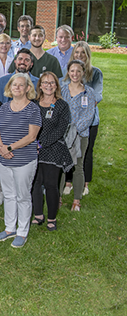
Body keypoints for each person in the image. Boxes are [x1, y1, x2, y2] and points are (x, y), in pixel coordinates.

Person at [0, 73, 41, 248]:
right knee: (9, 194)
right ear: (10, 87)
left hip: (24, 160)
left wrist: (9, 148)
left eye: (21, 85)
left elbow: (31, 136)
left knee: (22, 195)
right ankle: (9, 228)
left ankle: (22, 232)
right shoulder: (4, 107)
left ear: (28, 88)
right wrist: (1, 147)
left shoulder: (33, 109)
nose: (17, 88)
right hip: (4, 159)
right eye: (14, 85)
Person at [32, 72, 73, 232]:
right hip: (34, 148)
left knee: (50, 184)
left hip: (54, 148)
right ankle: (38, 215)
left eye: (52, 83)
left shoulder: (62, 106)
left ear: (56, 85)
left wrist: (41, 143)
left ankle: (51, 218)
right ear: (40, 85)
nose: (48, 85)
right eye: (45, 82)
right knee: (35, 183)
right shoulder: (33, 104)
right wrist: (33, 143)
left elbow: (60, 130)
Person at [66, 42, 103, 195]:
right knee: (68, 150)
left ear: (88, 55)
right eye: (77, 52)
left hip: (89, 120)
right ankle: (68, 182)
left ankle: (85, 183)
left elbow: (97, 96)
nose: (80, 55)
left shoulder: (95, 73)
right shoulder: (69, 70)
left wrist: (85, 111)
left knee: (85, 151)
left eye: (83, 53)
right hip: (70, 121)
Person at [61, 60, 97, 211]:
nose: (75, 74)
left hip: (81, 135)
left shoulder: (89, 92)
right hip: (62, 134)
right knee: (61, 166)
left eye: (78, 71)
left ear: (83, 73)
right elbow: (58, 110)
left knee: (78, 166)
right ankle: (58, 197)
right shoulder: (62, 90)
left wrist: (74, 131)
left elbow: (89, 115)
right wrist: (64, 130)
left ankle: (77, 200)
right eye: (72, 71)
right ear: (68, 72)